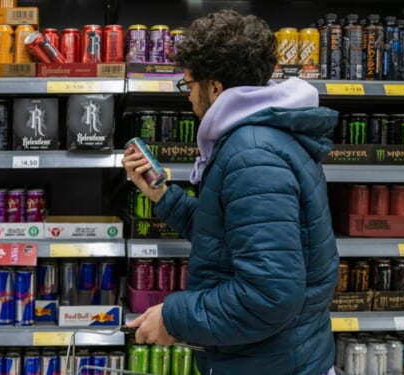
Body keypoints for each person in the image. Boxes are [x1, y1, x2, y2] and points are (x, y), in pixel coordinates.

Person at [122, 9, 340, 375]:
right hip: (276, 357)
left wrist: (173, 318)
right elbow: (229, 236)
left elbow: (268, 296)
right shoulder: (262, 137)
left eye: (189, 85)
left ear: (215, 88)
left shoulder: (251, 154)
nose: (188, 98)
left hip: (269, 364)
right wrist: (163, 196)